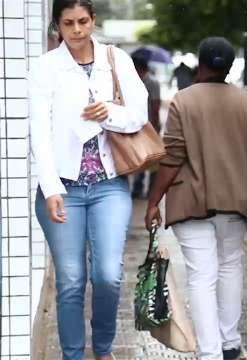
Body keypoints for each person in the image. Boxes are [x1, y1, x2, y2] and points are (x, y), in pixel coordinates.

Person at [29, 1, 148, 359]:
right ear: (57, 27)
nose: (77, 30)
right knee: (70, 280)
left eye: (83, 21)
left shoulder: (116, 59)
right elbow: (41, 133)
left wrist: (109, 113)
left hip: (109, 185)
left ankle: (104, 346)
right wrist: (51, 188)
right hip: (63, 186)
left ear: (93, 20)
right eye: (68, 23)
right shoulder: (45, 67)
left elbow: (139, 115)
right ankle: (73, 355)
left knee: (108, 275)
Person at [145, 37, 247, 360]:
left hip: (192, 202)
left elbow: (171, 158)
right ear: (229, 67)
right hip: (237, 201)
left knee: (201, 277)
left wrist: (153, 201)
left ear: (200, 65)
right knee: (230, 267)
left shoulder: (183, 101)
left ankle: (210, 354)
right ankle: (230, 344)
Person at [131, 54, 161, 198]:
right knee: (139, 159)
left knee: (153, 159)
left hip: (149, 126)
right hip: (136, 126)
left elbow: (156, 105)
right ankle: (137, 188)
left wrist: (155, 127)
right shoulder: (132, 81)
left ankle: (151, 189)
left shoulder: (152, 82)